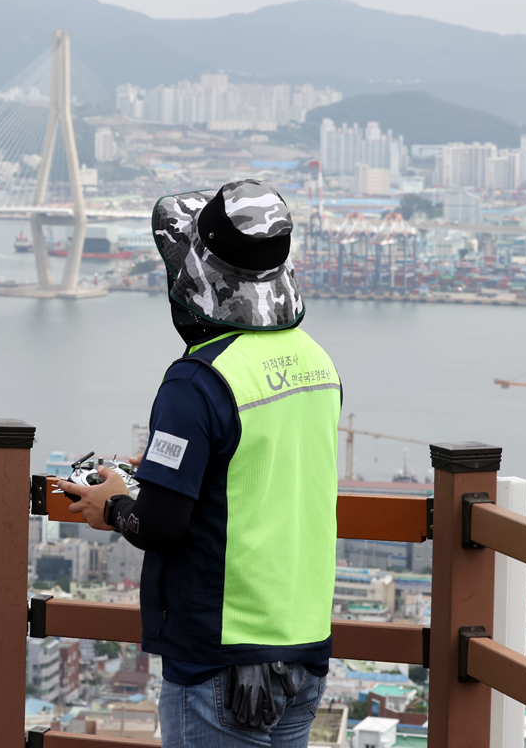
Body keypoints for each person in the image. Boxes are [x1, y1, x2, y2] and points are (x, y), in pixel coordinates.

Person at [61, 179, 341, 748]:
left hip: (222, 657)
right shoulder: (317, 363)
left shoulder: (198, 380)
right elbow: (258, 464)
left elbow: (160, 525)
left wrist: (110, 504)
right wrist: (173, 469)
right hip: (304, 647)